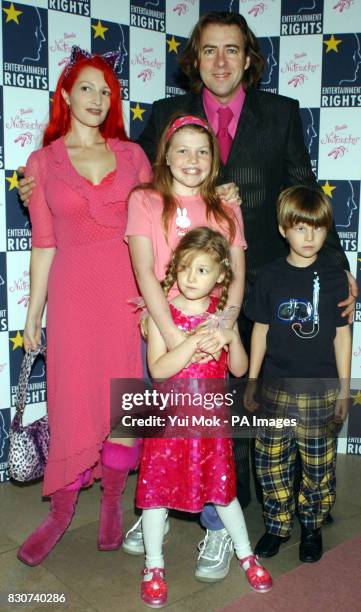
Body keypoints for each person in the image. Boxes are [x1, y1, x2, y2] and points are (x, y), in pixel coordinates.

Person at [17, 10, 356, 579]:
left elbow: (305, 189)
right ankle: (157, 501)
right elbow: (134, 176)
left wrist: (338, 265)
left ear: (248, 59)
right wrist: (39, 179)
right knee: (162, 410)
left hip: (252, 290)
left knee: (231, 417)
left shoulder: (282, 114)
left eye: (232, 50)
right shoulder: (166, 121)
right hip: (168, 304)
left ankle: (224, 521)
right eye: (208, 51)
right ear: (194, 60)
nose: (220, 60)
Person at [16, 46, 152, 566]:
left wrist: (158, 292)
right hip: (72, 298)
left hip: (126, 294)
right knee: (72, 403)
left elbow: (154, 226)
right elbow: (44, 243)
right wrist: (32, 315)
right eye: (87, 88)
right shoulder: (42, 162)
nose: (98, 98)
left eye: (107, 90)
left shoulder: (133, 155)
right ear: (67, 95)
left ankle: (114, 503)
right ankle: (60, 513)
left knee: (123, 401)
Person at [137, 227, 272, 608]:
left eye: (202, 270)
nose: (191, 277)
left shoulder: (221, 317)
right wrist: (194, 342)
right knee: (155, 496)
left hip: (211, 427)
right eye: (184, 268)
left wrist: (231, 338)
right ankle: (153, 565)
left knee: (223, 492)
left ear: (220, 276)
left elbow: (241, 367)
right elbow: (159, 370)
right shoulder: (163, 312)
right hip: (169, 425)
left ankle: (246, 554)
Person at [244, 186, 351, 563]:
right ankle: (277, 524)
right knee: (270, 461)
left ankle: (311, 525)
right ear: (282, 228)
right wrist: (253, 380)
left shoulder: (336, 277)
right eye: (300, 228)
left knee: (318, 465)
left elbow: (342, 337)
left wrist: (342, 390)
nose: (310, 237)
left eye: (318, 229)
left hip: (320, 389)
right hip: (275, 387)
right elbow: (259, 330)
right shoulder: (269, 276)